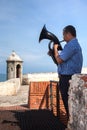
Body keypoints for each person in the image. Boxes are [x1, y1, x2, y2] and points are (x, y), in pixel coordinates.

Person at [53, 25, 83, 119]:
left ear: (69, 34)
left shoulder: (71, 45)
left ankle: (71, 122)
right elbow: (60, 63)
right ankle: (71, 122)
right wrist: (53, 54)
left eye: (63, 35)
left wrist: (55, 49)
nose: (63, 37)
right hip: (68, 77)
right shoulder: (71, 45)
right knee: (68, 102)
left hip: (67, 78)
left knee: (68, 103)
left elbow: (59, 60)